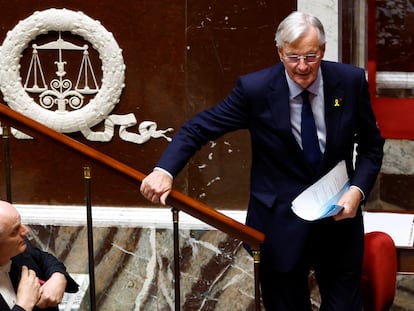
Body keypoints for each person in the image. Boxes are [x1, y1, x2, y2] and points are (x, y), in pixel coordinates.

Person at [140, 11, 384, 310]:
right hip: (279, 226)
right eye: (294, 57)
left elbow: (372, 146)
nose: (303, 67)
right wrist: (164, 170)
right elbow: (198, 128)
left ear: (322, 50)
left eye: (311, 56)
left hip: (338, 225)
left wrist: (356, 192)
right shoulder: (254, 90)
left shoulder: (349, 82)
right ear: (280, 51)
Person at [0, 200, 79, 311]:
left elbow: (45, 259)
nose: (25, 231)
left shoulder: (20, 248)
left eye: (20, 224)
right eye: (14, 232)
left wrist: (58, 277)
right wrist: (23, 306)